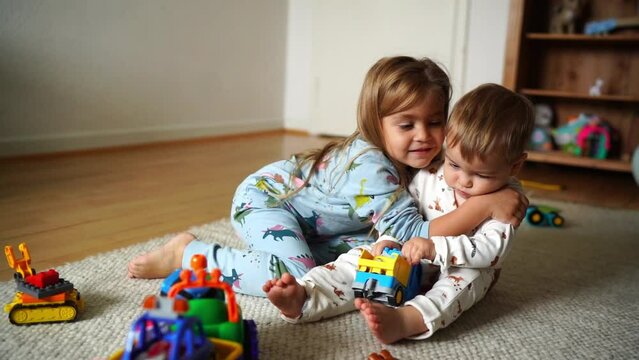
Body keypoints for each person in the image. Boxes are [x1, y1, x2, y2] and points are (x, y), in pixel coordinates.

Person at [128, 57, 527, 297]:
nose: (424, 136)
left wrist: (499, 186)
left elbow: (467, 173)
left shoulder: (434, 155)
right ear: (377, 123)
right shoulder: (371, 164)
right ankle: (190, 254)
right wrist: (485, 204)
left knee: (371, 261)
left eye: (435, 122)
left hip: (326, 227)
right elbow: (413, 231)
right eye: (407, 125)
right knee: (299, 282)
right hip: (267, 201)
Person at [263, 83, 534, 344]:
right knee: (362, 258)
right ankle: (306, 295)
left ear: (514, 166)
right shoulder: (430, 173)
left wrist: (433, 248)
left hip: (455, 263)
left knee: (466, 281)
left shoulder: (505, 200)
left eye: (481, 175)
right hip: (408, 253)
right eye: (454, 164)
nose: (463, 181)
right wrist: (389, 239)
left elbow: (491, 251)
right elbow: (405, 210)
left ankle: (407, 320)